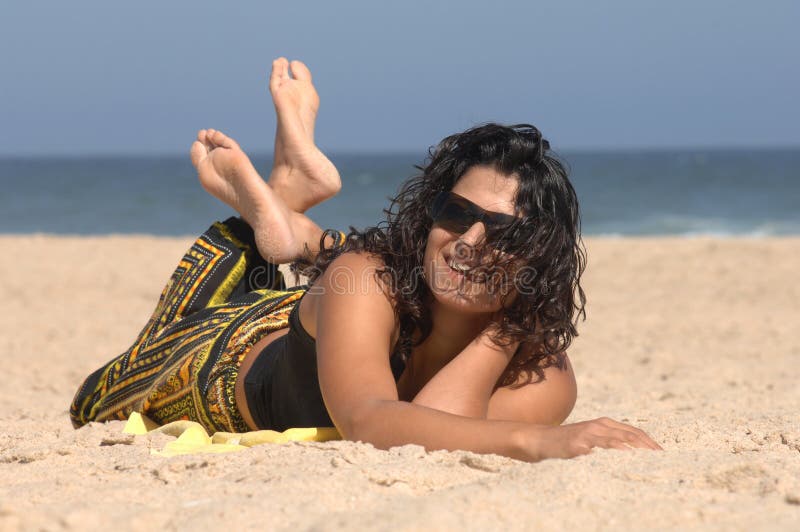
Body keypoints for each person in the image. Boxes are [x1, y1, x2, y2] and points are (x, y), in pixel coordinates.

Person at [70, 58, 662, 461]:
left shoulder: (547, 375)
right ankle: (285, 210)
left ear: (540, 256)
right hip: (221, 357)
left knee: (345, 267)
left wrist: (507, 326)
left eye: (504, 232)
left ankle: (289, 201)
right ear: (431, 215)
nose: (470, 239)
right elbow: (373, 422)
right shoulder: (371, 275)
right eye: (455, 214)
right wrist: (541, 444)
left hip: (334, 308)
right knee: (96, 398)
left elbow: (444, 429)